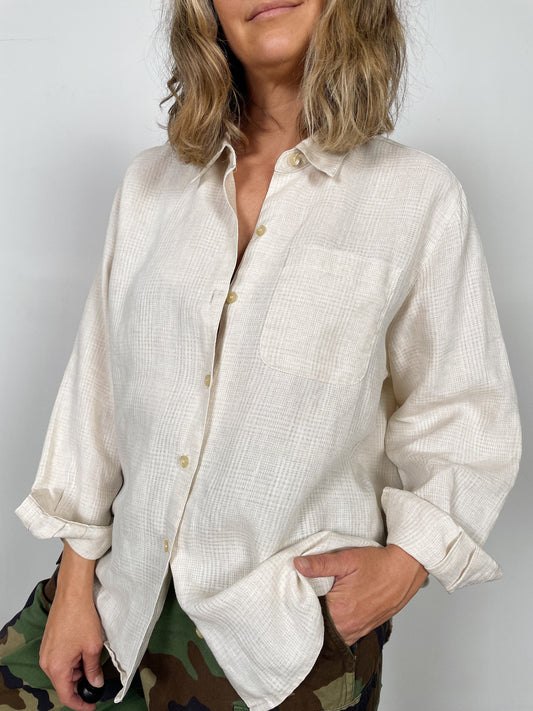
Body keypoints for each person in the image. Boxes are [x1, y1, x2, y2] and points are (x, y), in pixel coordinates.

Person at [0, 0, 521, 709]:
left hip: (283, 635)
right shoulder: (149, 187)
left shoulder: (416, 197)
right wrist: (71, 588)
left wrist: (406, 564)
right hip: (116, 603)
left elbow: (463, 414)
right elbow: (96, 403)